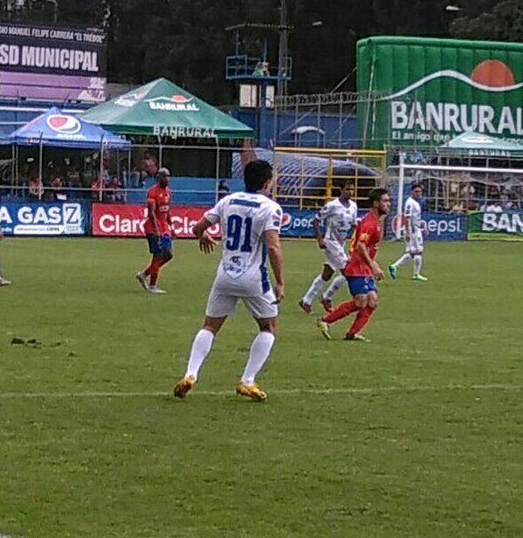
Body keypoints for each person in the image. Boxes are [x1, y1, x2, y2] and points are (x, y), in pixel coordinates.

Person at [173, 160, 284, 402]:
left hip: (225, 275)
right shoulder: (270, 208)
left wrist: (204, 235)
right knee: (268, 328)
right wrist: (280, 282)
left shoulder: (228, 201)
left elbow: (196, 228)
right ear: (267, 182)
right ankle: (247, 380)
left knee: (210, 326)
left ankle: (190, 374)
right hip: (254, 278)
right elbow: (273, 248)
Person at [320, 188, 389, 342]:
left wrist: (373, 264)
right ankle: (325, 320)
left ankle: (352, 333)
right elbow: (360, 246)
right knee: (361, 301)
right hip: (357, 268)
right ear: (376, 203)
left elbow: (366, 248)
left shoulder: (374, 222)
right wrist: (373, 266)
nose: (388, 204)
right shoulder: (369, 223)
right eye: (385, 201)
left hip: (363, 267)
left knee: (372, 301)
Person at [299, 182, 357, 314]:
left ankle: (306, 300)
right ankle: (327, 297)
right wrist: (319, 238)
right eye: (347, 189)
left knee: (327, 273)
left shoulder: (353, 206)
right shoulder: (332, 205)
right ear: (341, 190)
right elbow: (316, 220)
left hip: (341, 243)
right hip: (330, 242)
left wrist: (355, 242)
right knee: (348, 270)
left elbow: (354, 225)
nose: (350, 192)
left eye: (352, 190)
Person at [136, 168, 173, 294]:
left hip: (164, 228)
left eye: (168, 176)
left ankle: (144, 274)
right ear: (159, 177)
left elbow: (167, 210)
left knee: (168, 254)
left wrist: (171, 226)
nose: (167, 179)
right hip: (153, 228)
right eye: (165, 176)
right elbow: (152, 213)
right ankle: (152, 286)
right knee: (158, 255)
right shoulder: (152, 192)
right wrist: (156, 230)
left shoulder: (168, 191)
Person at [389, 183, 427, 281]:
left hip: (416, 228)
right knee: (418, 251)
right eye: (416, 191)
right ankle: (416, 274)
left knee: (412, 253)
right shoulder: (410, 202)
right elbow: (406, 217)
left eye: (420, 191)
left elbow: (415, 217)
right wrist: (407, 231)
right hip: (413, 230)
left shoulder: (416, 202)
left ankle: (394, 266)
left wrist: (422, 225)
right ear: (412, 192)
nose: (418, 193)